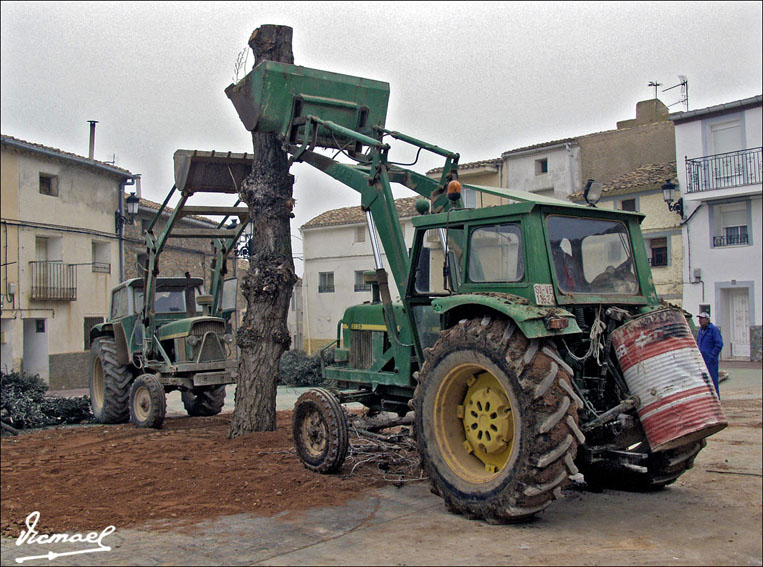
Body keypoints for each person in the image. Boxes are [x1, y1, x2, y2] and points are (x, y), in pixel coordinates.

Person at [696, 312, 723, 398]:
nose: (700, 320)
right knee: (703, 381)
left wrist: (712, 355)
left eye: (702, 318)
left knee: (713, 380)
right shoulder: (700, 331)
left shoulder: (713, 329)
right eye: (699, 319)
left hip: (710, 361)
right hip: (702, 360)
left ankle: (716, 398)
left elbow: (719, 344)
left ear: (707, 320)